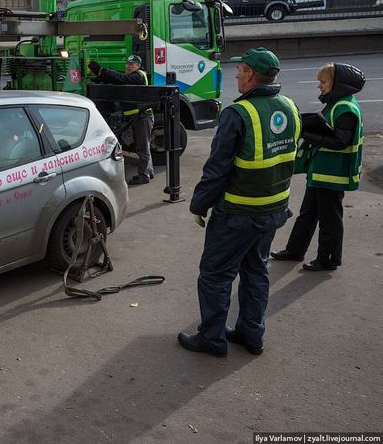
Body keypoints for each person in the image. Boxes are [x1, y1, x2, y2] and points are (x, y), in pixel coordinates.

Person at [178, 47, 299, 357]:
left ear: (249, 75)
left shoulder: (238, 113)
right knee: (256, 271)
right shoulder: (289, 107)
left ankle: (212, 339)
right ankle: (251, 333)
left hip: (238, 213)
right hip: (273, 210)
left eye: (239, 70)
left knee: (215, 275)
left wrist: (199, 205)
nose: (236, 75)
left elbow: (217, 169)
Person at [270, 62, 364, 271]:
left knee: (329, 219)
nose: (319, 86)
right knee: (308, 212)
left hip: (332, 174)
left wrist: (307, 132)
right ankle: (295, 250)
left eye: (323, 82)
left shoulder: (345, 107)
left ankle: (328, 259)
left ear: (338, 84)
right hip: (321, 171)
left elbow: (340, 142)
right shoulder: (337, 102)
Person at [89, 55, 154, 185]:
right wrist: (101, 75)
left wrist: (102, 70)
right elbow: (117, 79)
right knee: (143, 146)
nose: (128, 66)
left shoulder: (138, 76)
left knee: (142, 147)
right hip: (138, 117)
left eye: (132, 64)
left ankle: (144, 176)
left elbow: (121, 78)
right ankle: (149, 171)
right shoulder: (133, 77)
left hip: (142, 117)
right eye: (127, 63)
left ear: (138, 66)